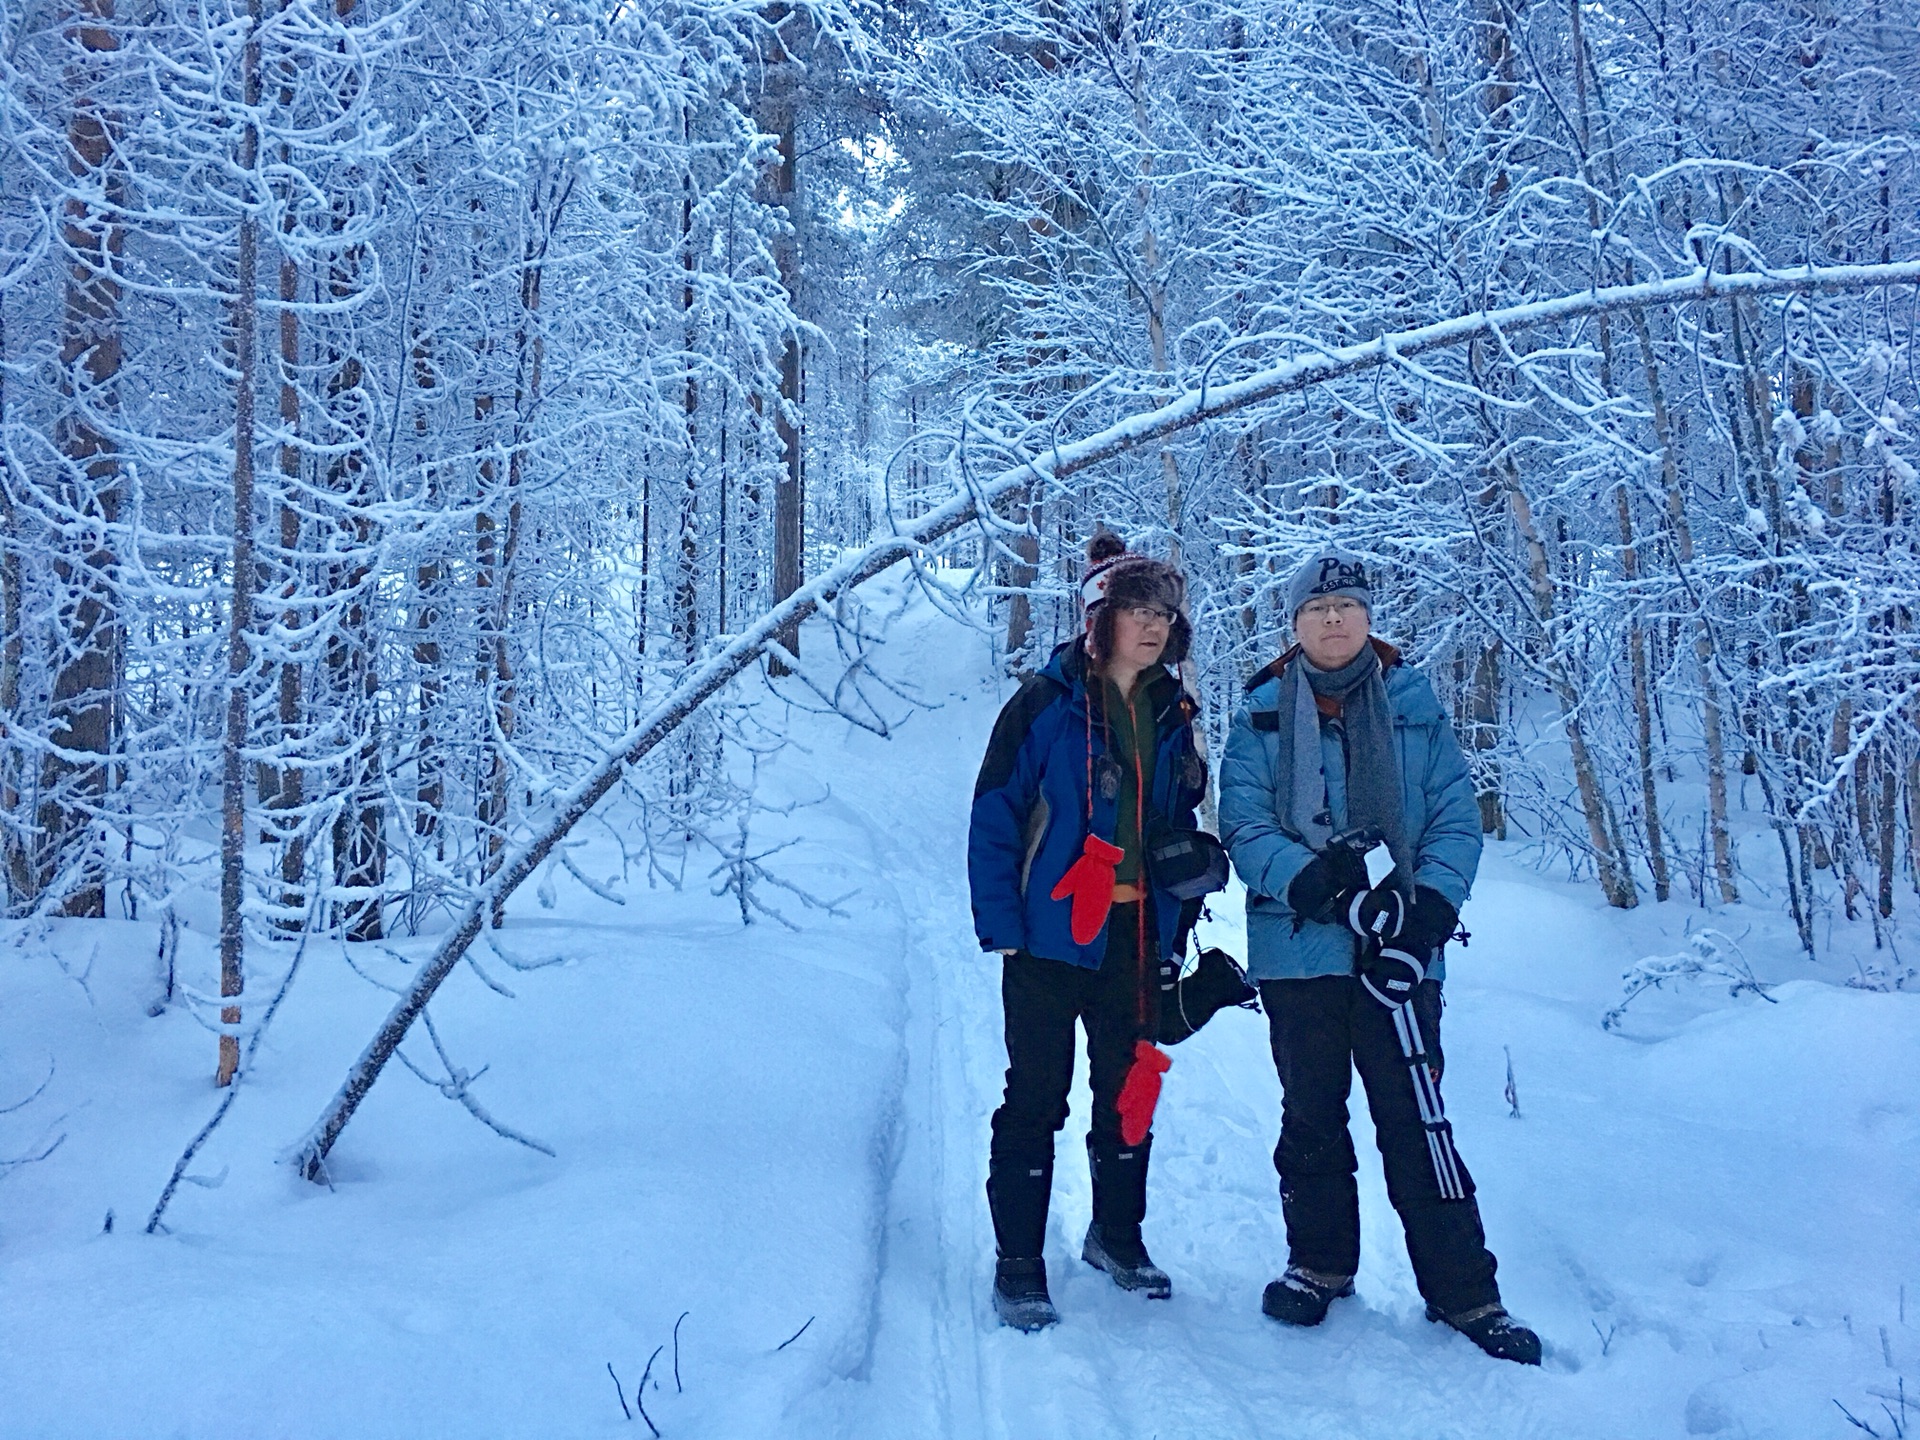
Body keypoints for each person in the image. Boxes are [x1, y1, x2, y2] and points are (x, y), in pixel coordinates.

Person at [1217, 548, 1541, 1365]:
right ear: (1295, 624)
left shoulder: (1414, 707)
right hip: (1300, 950)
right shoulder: (1259, 712)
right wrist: (1317, 883)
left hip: (1400, 955)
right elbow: (1244, 826)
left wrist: (1428, 910)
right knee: (1312, 1117)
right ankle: (1318, 1264)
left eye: (1348, 606)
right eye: (1317, 609)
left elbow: (1455, 822)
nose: (1334, 619)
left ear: (1367, 618)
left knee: (1417, 1120)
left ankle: (1466, 1292)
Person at [967, 532, 1210, 1331]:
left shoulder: (1175, 711)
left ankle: (1117, 1236)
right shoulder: (1044, 703)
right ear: (1098, 616)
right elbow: (995, 814)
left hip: (1139, 934)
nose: (1152, 625)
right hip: (1046, 939)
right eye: (1136, 609)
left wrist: (1189, 889)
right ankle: (1018, 1262)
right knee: (1035, 1097)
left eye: (1163, 612)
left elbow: (1177, 820)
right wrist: (1002, 925)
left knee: (1131, 1090)